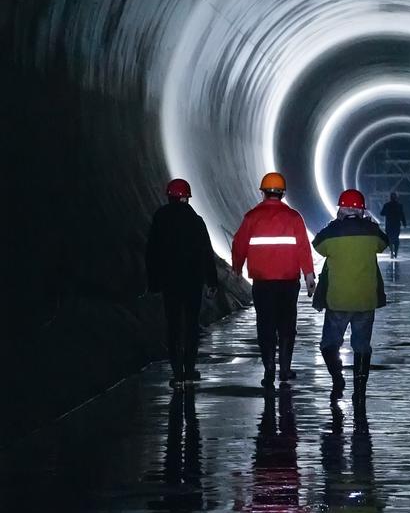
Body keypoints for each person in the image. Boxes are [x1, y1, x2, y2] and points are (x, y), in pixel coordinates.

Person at [232, 172, 316, 389]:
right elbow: (303, 248)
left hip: (263, 282)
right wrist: (308, 275)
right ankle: (285, 370)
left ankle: (269, 370)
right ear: (283, 193)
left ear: (262, 192)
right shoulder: (294, 217)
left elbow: (239, 245)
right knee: (287, 325)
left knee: (265, 325)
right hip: (288, 282)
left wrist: (237, 268)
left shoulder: (252, 217)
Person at [313, 189, 388, 403]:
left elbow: (318, 246)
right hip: (365, 299)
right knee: (362, 346)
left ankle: (338, 378)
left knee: (329, 344)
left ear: (341, 208)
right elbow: (384, 244)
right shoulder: (371, 231)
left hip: (338, 300)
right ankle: (360, 389)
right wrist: (371, 223)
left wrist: (335, 223)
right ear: (362, 210)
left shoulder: (332, 232)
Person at [145, 178, 218, 386]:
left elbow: (151, 252)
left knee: (173, 325)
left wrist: (153, 282)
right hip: (192, 281)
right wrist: (211, 281)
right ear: (187, 197)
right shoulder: (196, 220)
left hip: (170, 282)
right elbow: (206, 253)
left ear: (169, 196)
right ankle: (189, 368)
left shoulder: (160, 218)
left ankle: (176, 372)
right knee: (191, 325)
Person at [380, 191, 407, 258]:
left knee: (390, 239)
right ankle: (396, 253)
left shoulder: (386, 205)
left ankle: (391, 252)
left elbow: (382, 213)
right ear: (396, 198)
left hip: (389, 224)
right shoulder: (399, 205)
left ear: (390, 198)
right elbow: (402, 215)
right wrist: (404, 223)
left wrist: (388, 213)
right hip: (396, 225)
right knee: (396, 238)